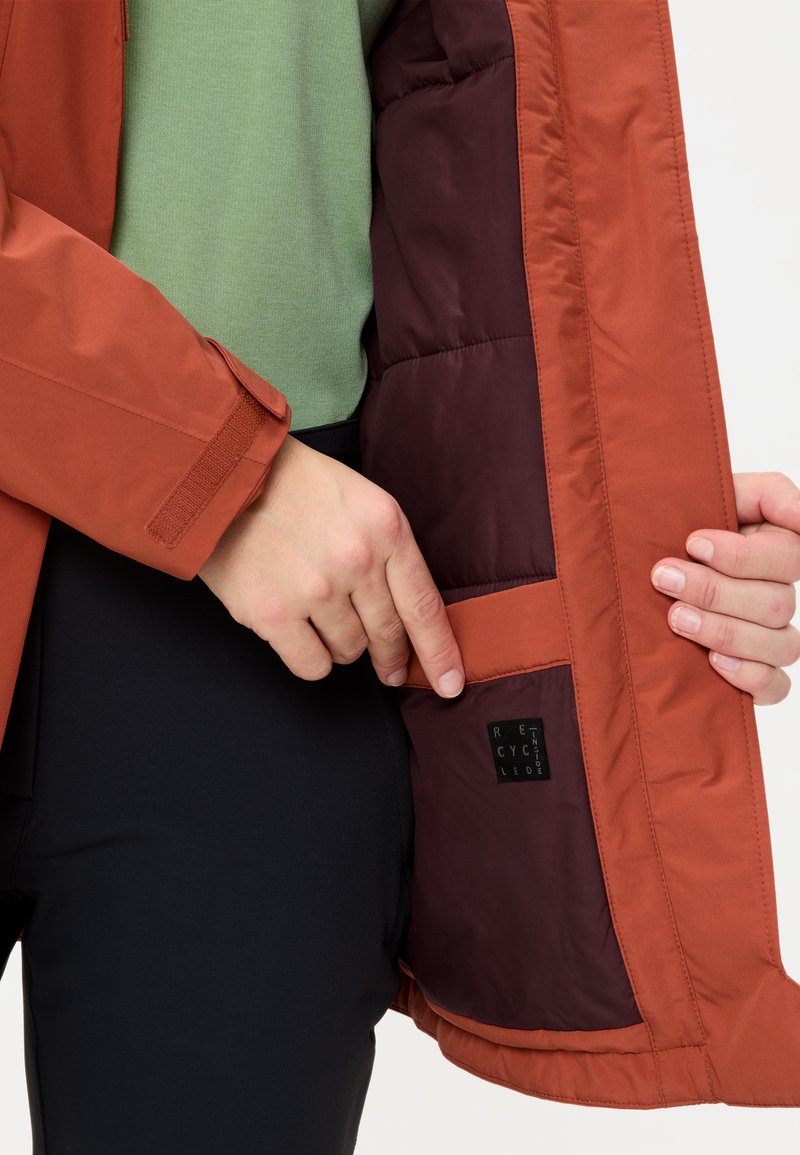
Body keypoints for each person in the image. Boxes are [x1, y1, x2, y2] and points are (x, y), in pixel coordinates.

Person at [0, 3, 464, 1153]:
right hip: (247, 507)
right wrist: (203, 468)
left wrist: (614, 525)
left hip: (281, 616)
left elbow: (475, 111)